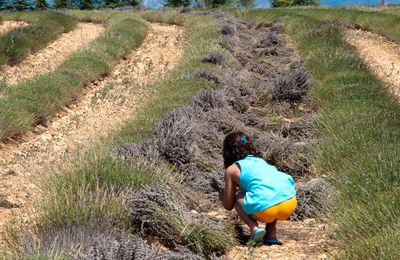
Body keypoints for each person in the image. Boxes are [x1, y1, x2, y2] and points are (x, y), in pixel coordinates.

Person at [219, 131, 297, 245]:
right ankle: (271, 235)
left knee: (239, 197)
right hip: (289, 203)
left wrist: (223, 196)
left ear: (228, 151)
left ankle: (254, 228)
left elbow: (228, 205)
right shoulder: (261, 161)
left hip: (266, 209)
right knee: (269, 192)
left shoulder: (231, 170)